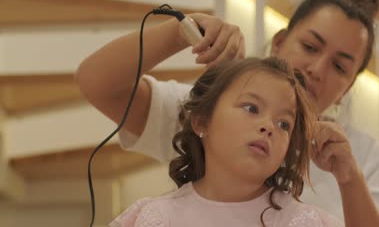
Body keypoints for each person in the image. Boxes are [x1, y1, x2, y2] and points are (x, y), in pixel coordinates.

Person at [77, 0, 379, 226]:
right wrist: (181, 32)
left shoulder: (367, 158)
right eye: (310, 46)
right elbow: (97, 82)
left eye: (340, 67)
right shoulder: (212, 108)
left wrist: (349, 179)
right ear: (200, 123)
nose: (317, 70)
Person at [110, 57, 346, 226]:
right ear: (202, 122)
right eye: (251, 108)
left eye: (284, 124)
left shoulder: (304, 222)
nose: (269, 127)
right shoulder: (156, 217)